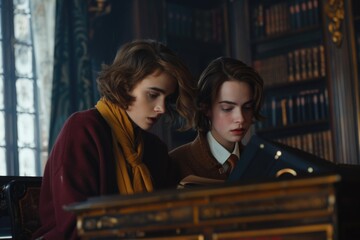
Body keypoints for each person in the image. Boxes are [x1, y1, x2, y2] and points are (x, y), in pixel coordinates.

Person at [32, 39, 196, 240]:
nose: (161, 108)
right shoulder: (83, 129)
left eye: (167, 99)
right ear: (125, 84)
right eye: (153, 95)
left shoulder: (155, 149)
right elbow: (75, 227)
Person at [170, 57, 264, 181]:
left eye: (247, 107)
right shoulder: (175, 164)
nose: (240, 119)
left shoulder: (259, 161)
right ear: (206, 108)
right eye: (227, 108)